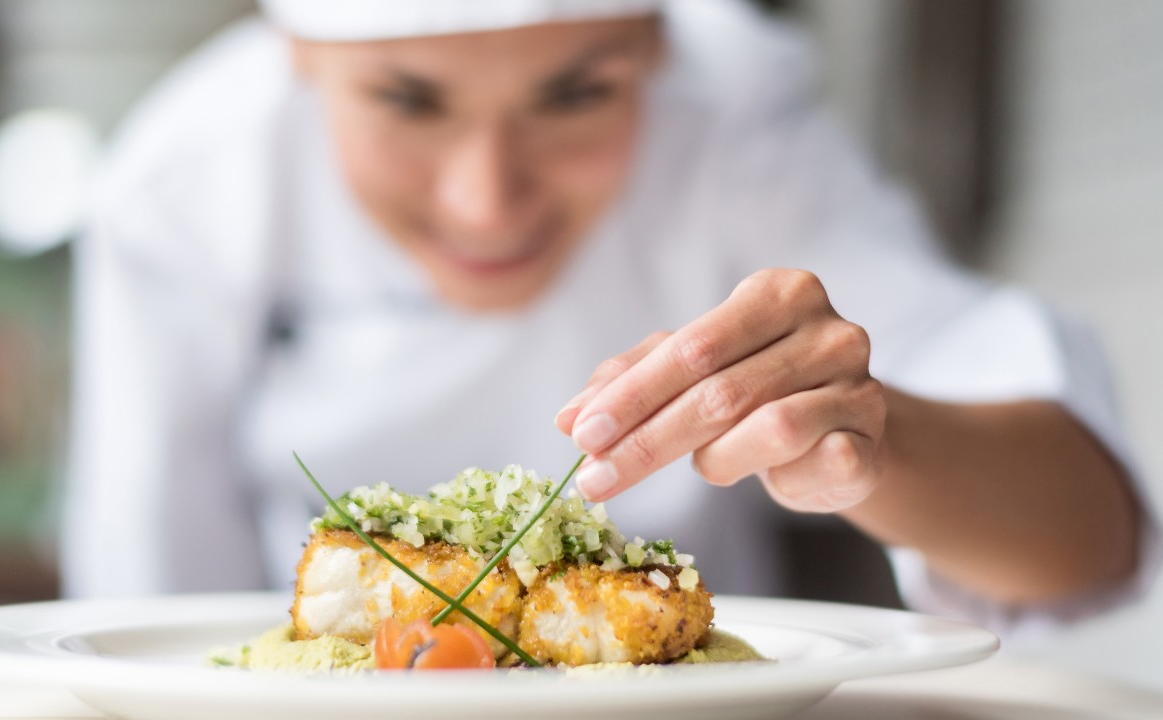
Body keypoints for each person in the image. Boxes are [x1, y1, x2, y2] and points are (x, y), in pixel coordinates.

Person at [63, 0, 1157, 637]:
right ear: (296, 53)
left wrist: (874, 439)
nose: (485, 200)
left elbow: (1086, 540)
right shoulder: (183, 185)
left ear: (656, 46)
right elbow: (144, 621)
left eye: (577, 94)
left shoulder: (734, 121)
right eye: (406, 99)